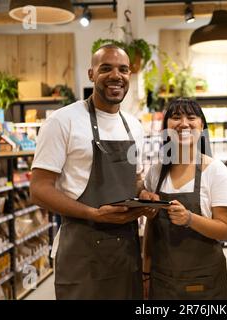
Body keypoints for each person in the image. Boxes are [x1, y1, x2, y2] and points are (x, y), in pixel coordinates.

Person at [30, 44, 153, 300]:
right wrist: (93, 214)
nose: (115, 75)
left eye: (123, 69)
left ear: (129, 75)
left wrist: (145, 196)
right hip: (81, 253)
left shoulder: (134, 126)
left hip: (126, 252)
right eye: (105, 68)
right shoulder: (63, 121)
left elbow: (135, 180)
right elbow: (39, 190)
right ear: (91, 74)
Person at [140, 98, 227, 299]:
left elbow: (224, 229)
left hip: (204, 282)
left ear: (201, 126)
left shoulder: (216, 171)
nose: (183, 123)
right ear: (166, 127)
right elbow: (152, 229)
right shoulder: (156, 173)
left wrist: (189, 219)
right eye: (176, 117)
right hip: (163, 280)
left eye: (191, 117)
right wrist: (145, 273)